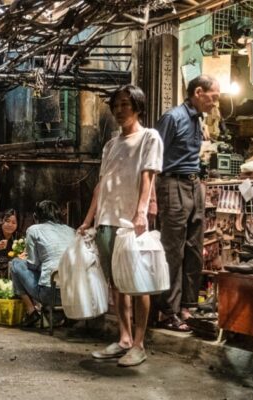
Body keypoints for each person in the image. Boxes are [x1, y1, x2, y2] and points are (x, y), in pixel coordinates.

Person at [79, 84, 163, 367]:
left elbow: (148, 177)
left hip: (131, 222)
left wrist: (141, 212)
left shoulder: (149, 138)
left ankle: (139, 344)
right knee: (117, 283)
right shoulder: (110, 145)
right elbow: (101, 185)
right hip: (106, 220)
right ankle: (124, 338)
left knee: (139, 283)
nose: (119, 109)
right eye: (116, 105)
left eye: (125, 104)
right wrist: (89, 219)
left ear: (138, 106)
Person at [154, 75, 220, 332]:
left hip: (194, 185)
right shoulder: (173, 118)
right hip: (172, 183)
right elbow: (154, 156)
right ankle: (168, 311)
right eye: (213, 97)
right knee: (173, 250)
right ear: (198, 92)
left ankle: (187, 306)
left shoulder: (197, 120)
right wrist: (150, 196)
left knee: (194, 248)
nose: (215, 103)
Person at [11, 200, 76, 327]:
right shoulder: (71, 230)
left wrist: (31, 260)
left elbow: (32, 264)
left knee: (16, 263)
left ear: (36, 216)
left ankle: (31, 312)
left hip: (50, 294)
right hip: (75, 293)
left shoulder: (34, 230)